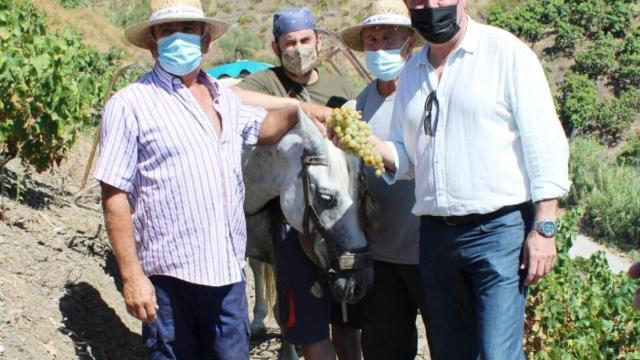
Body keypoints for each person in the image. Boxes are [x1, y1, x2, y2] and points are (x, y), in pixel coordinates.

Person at [332, 0, 571, 358]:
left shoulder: (505, 54)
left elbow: (544, 141)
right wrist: (363, 143)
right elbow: (405, 157)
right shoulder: (413, 72)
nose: (429, 6)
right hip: (435, 236)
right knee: (451, 352)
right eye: (418, 1)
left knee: (496, 353)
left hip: (498, 232)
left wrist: (544, 227)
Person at [94, 1, 323, 358]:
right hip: (169, 280)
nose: (178, 38)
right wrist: (131, 275)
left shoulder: (222, 98)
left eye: (188, 29)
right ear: (153, 43)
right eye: (167, 31)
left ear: (205, 41)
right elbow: (114, 193)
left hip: (228, 274)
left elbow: (262, 128)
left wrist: (298, 112)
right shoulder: (131, 104)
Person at [233, 7, 361, 360]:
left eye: (306, 40)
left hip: (342, 221)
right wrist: (298, 108)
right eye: (289, 43)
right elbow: (232, 97)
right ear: (276, 49)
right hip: (294, 226)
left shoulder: (339, 87)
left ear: (318, 41)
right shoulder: (267, 81)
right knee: (308, 328)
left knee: (348, 324)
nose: (299, 48)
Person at [338, 1, 429, 359]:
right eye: (372, 39)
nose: (379, 47)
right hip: (381, 256)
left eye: (389, 37)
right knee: (385, 348)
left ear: (409, 43)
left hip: (429, 251)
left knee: (449, 343)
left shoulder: (425, 92)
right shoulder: (358, 106)